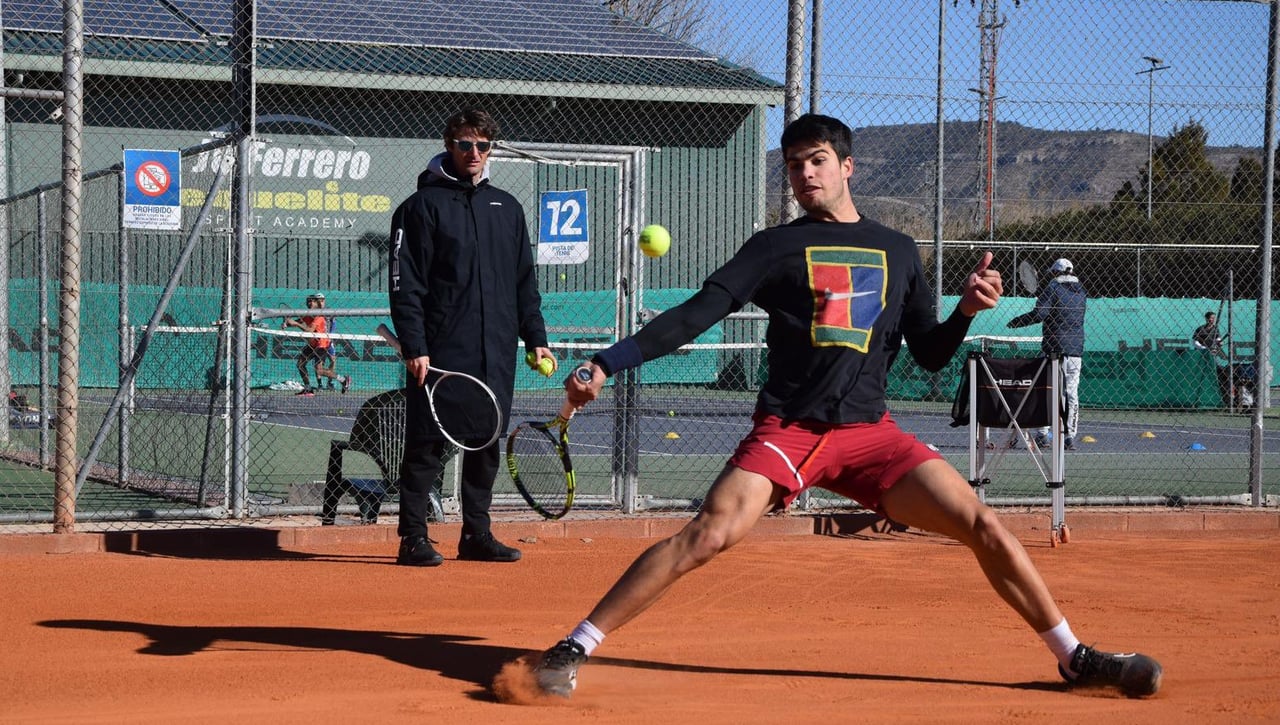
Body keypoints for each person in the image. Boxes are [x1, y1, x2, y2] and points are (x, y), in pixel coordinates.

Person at [531, 114, 1160, 699]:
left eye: (818, 161)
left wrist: (965, 311)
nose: (805, 175)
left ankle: (1072, 656)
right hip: (789, 430)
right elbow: (699, 314)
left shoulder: (899, 251)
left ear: (847, 167)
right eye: (795, 165)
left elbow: (932, 354)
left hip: (872, 436)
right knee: (709, 534)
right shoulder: (773, 247)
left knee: (984, 524)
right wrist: (607, 362)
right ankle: (573, 645)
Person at [389, 108, 555, 567]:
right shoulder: (420, 208)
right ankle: (413, 537)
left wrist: (534, 337)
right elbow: (407, 283)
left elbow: (525, 282)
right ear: (449, 145)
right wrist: (415, 344)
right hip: (442, 349)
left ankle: (476, 534)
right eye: (466, 144)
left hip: (496, 348)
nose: (475, 154)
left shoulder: (507, 207)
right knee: (426, 443)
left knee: (486, 441)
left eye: (483, 146)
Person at [1007, 258, 1086, 450]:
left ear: (1054, 273)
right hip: (1075, 351)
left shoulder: (1052, 288)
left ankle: (1043, 435)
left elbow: (1040, 313)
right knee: (1071, 394)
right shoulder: (1081, 291)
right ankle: (1069, 437)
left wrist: (1018, 321)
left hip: (1054, 350)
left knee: (1046, 390)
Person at [283, 292, 349, 396]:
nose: (309, 303)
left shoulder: (319, 316)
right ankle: (308, 389)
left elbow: (309, 330)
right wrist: (287, 323)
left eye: (312, 301)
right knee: (300, 364)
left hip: (322, 345)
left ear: (316, 303)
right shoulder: (307, 313)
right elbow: (298, 320)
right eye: (308, 301)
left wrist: (295, 324)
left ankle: (343, 379)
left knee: (319, 371)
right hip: (312, 344)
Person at [1192, 311, 1231, 406]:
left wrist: (1219, 342)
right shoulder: (1200, 329)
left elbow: (1218, 339)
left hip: (1212, 354)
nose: (1212, 320)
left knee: (1214, 370)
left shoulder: (1215, 329)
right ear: (1206, 318)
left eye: (1213, 318)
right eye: (1210, 318)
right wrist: (1203, 348)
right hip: (1201, 354)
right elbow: (1194, 341)